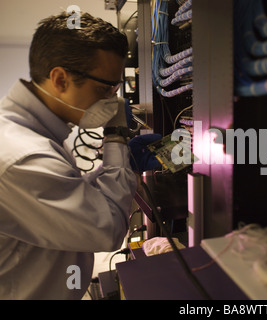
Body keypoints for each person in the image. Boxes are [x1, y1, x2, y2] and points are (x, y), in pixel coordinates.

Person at [0, 12, 160, 299]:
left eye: (115, 89)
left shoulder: (29, 134)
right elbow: (108, 229)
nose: (112, 100)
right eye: (105, 88)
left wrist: (120, 165)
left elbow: (68, 193)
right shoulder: (23, 157)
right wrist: (116, 137)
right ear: (60, 79)